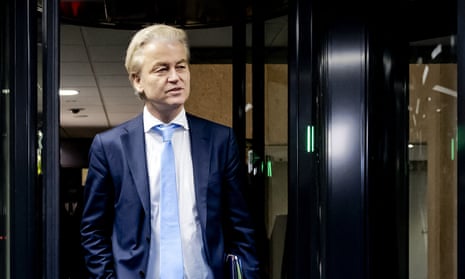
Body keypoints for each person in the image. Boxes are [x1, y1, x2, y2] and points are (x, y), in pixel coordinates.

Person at [80, 23, 260, 278]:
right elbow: (93, 231)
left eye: (181, 66)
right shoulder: (109, 147)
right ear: (137, 80)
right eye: (162, 69)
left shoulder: (221, 140)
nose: (175, 77)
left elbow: (242, 228)